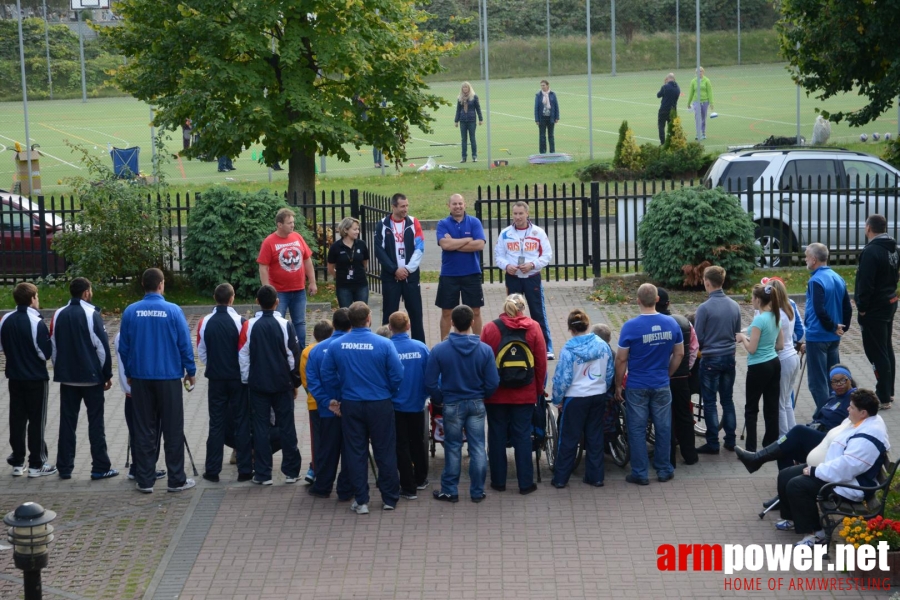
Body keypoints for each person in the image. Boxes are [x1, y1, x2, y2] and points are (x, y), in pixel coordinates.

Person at [775, 389, 889, 547]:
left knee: (798, 485)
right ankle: (793, 518)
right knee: (786, 474)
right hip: (836, 474)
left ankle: (816, 535)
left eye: (852, 407)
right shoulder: (860, 421)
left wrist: (816, 471)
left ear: (863, 412)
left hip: (851, 485)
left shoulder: (868, 438)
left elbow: (847, 467)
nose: (848, 409)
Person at [118, 268, 197, 493]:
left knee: (144, 429)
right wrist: (190, 371)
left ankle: (145, 479)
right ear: (161, 285)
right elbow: (184, 343)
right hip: (169, 378)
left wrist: (130, 372)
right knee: (173, 429)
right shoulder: (173, 311)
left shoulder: (131, 311)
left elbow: (124, 348)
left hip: (141, 378)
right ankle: (176, 479)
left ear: (144, 285)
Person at [321, 302, 404, 514]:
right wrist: (388, 391)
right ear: (369, 318)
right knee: (384, 450)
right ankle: (389, 498)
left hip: (351, 403)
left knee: (355, 452)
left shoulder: (337, 345)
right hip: (380, 403)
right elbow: (397, 374)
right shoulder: (384, 344)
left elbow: (327, 374)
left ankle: (362, 500)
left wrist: (337, 396)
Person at [425, 305, 499, 503]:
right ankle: (477, 491)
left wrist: (440, 398)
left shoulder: (440, 349)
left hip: (452, 404)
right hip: (476, 403)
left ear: (452, 323)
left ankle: (450, 489)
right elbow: (493, 382)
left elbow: (430, 381)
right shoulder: (485, 350)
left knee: (452, 447)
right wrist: (483, 395)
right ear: (472, 322)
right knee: (477, 448)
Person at [615, 283, 684, 485]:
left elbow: (621, 360)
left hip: (637, 384)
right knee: (663, 427)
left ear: (637, 301)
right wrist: (667, 373)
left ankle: (640, 472)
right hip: (661, 383)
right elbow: (679, 353)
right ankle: (664, 469)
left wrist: (619, 385)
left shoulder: (630, 326)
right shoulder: (672, 324)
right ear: (656, 300)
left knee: (636, 429)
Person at [50, 277, 116, 480]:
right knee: (96, 423)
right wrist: (106, 374)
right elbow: (102, 347)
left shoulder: (59, 313)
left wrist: (59, 369)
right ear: (86, 292)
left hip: (68, 378)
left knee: (67, 423)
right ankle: (100, 466)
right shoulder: (91, 314)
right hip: (91, 378)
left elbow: (54, 345)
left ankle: (65, 467)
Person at [736, 365, 858, 474]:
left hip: (831, 440)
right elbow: (817, 418)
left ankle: (757, 458)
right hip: (819, 434)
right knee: (784, 450)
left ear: (850, 380)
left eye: (843, 380)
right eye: (834, 381)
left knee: (798, 430)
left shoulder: (854, 397)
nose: (839, 384)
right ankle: (785, 485)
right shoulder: (833, 398)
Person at [480, 294, 547, 494]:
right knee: (523, 436)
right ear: (523, 308)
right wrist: (537, 390)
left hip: (497, 393)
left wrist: (486, 389)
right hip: (524, 393)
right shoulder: (534, 327)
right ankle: (525, 483)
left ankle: (498, 482)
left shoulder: (490, 328)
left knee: (497, 435)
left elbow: (484, 360)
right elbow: (541, 363)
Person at [238, 284, 303, 486]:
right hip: (282, 383)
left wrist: (247, 379)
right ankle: (291, 471)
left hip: (258, 384)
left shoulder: (249, 325)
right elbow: (293, 356)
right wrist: (295, 382)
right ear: (277, 302)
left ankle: (263, 473)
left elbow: (243, 355)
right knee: (287, 426)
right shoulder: (285, 325)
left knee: (260, 427)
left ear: (257, 302)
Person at [551, 308, 613, 488]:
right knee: (595, 436)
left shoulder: (568, 350)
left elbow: (563, 378)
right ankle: (596, 477)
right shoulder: (602, 345)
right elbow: (608, 372)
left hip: (576, 397)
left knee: (569, 438)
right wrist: (602, 388)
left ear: (570, 328)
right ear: (587, 325)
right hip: (597, 395)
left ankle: (561, 478)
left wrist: (558, 399)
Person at [196, 283, 252, 483]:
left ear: (214, 297)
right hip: (237, 378)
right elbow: (244, 350)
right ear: (232, 298)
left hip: (216, 379)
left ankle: (212, 470)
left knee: (216, 423)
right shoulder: (240, 321)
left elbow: (201, 350)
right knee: (241, 421)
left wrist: (213, 364)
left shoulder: (204, 322)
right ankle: (245, 469)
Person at [0, 283, 56, 477]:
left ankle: (17, 460)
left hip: (14, 377)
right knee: (36, 420)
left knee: (16, 418)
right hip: (35, 378)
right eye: (37, 297)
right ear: (32, 299)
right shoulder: (35, 322)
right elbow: (44, 353)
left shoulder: (6, 319)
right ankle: (36, 463)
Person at [494, 201, 555, 359]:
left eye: (521, 213)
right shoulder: (505, 233)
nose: (518, 217)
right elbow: (498, 256)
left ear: (527, 214)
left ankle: (546, 347)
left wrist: (533, 264)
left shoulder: (538, 233)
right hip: (513, 278)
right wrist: (506, 266)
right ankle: (513, 343)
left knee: (537, 312)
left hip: (532, 278)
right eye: (515, 213)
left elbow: (547, 255)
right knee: (512, 311)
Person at [304, 309, 353, 500]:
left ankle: (323, 486)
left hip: (326, 410)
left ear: (333, 325)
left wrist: (327, 402)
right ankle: (346, 489)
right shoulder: (352, 346)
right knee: (350, 449)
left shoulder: (316, 350)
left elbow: (312, 381)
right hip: (351, 407)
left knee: (326, 449)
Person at [694, 265, 742, 454]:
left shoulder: (704, 309)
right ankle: (730, 440)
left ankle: (713, 442)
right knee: (727, 399)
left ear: (707, 283)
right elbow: (736, 333)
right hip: (729, 357)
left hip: (711, 359)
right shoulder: (734, 305)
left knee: (710, 402)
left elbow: (698, 338)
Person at [854, 214, 899, 410]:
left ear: (869, 228)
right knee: (886, 347)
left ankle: (883, 396)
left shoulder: (871, 252)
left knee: (876, 351)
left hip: (874, 308)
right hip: (889, 301)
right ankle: (888, 390)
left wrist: (862, 308)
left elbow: (866, 283)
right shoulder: (894, 248)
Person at [258, 207, 318, 348]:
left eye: (293, 222)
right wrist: (267, 290)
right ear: (279, 224)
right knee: (277, 322)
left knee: (300, 322)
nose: (292, 225)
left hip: (298, 290)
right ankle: (279, 351)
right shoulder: (269, 242)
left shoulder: (297, 237)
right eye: (289, 222)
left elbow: (307, 260)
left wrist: (312, 282)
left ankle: (300, 353)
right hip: (279, 292)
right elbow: (263, 267)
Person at [803, 243, 853, 409]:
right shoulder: (838, 277)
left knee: (818, 382)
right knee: (834, 379)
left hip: (818, 336)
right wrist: (842, 328)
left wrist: (832, 326)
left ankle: (825, 415)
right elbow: (847, 306)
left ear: (814, 259)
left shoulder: (816, 280)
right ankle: (837, 410)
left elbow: (819, 309)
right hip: (833, 337)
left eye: (806, 256)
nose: (805, 260)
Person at [736, 284, 785, 452]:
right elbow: (780, 344)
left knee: (751, 408)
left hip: (758, 366)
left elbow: (752, 349)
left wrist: (743, 338)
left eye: (752, 298)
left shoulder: (759, 320)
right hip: (774, 363)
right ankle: (770, 445)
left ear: (758, 299)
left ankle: (750, 448)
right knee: (771, 406)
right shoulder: (776, 316)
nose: (751, 301)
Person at [654, 289, 699, 466]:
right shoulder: (684, 322)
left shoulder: (652, 324)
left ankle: (668, 458)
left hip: (660, 377)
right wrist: (686, 367)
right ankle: (690, 455)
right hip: (681, 377)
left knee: (665, 419)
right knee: (685, 416)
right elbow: (694, 348)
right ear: (668, 304)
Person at [389, 311, 431, 499]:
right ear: (409, 326)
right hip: (416, 403)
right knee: (418, 442)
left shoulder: (387, 348)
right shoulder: (421, 348)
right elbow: (430, 375)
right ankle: (421, 478)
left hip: (395, 406)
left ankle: (408, 486)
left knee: (401, 445)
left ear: (390, 328)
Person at [374, 193, 426, 343]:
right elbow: (379, 250)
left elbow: (420, 247)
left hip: (411, 276)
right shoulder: (383, 224)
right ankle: (386, 346)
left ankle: (419, 346)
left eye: (407, 205)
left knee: (416, 314)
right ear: (393, 207)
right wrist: (394, 269)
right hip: (391, 277)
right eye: (402, 206)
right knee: (389, 314)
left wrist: (408, 269)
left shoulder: (413, 222)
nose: (405, 209)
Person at [115, 332, 166, 482]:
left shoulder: (120, 335)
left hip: (130, 393)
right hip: (146, 391)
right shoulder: (144, 335)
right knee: (152, 432)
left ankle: (136, 466)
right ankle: (147, 468)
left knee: (135, 431)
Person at [436, 194, 486, 340]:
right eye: (454, 204)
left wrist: (454, 244)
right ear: (449, 206)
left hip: (471, 273)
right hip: (449, 275)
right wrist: (467, 240)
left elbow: (480, 245)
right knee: (447, 312)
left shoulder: (474, 222)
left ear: (465, 205)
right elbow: (445, 245)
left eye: (460, 203)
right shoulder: (442, 223)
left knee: (475, 311)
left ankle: (477, 342)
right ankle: (444, 344)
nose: (457, 206)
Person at [763, 278, 805, 435]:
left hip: (783, 359)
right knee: (787, 401)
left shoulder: (775, 314)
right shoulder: (789, 308)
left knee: (779, 403)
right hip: (793, 356)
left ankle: (782, 438)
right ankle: (792, 434)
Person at [300, 320, 333, 485]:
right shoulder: (336, 348)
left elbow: (306, 380)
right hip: (338, 403)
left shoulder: (307, 352)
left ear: (313, 335)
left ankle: (315, 469)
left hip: (315, 403)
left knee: (317, 440)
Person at [327, 217, 370, 308]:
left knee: (361, 313)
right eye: (355, 229)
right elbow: (330, 267)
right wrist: (339, 276)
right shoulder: (336, 247)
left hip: (361, 284)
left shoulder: (361, 244)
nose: (357, 231)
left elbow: (364, 262)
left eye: (358, 229)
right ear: (346, 230)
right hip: (344, 286)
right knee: (346, 314)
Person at [454, 81, 483, 163]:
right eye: (463, 87)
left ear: (469, 88)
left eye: (466, 87)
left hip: (471, 120)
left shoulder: (474, 97)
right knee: (464, 139)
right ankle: (463, 157)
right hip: (463, 120)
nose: (465, 89)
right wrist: (456, 120)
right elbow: (458, 110)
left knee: (472, 138)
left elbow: (478, 108)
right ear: (462, 89)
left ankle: (474, 156)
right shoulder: (460, 98)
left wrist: (480, 119)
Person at [685, 67, 714, 140]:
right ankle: (698, 133)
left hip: (704, 101)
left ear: (703, 72)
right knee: (697, 117)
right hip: (696, 101)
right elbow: (691, 93)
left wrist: (711, 102)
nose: (699, 73)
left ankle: (703, 132)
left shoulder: (706, 80)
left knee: (703, 117)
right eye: (698, 71)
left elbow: (710, 92)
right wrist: (688, 103)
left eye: (701, 71)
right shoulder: (693, 81)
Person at [534, 80, 560, 154]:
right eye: (541, 85)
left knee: (551, 136)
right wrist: (537, 119)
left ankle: (552, 152)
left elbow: (556, 106)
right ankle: (542, 152)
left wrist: (557, 117)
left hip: (550, 118)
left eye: (544, 85)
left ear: (547, 85)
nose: (542, 87)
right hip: (542, 118)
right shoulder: (538, 95)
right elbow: (536, 108)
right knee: (542, 136)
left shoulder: (552, 94)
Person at [656, 73, 680, 145]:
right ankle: (673, 141)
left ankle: (663, 142)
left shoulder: (665, 87)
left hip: (664, 109)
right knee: (672, 127)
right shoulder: (677, 88)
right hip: (673, 110)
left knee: (661, 126)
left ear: (668, 79)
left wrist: (664, 84)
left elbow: (658, 95)